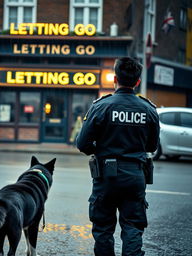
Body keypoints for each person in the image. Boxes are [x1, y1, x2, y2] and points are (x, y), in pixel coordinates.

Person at [76, 57, 160, 256]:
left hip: (106, 176)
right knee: (132, 227)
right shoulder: (148, 109)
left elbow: (82, 144)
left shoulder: (101, 106)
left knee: (103, 229)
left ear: (115, 78)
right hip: (135, 175)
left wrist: (101, 148)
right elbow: (152, 146)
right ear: (137, 82)